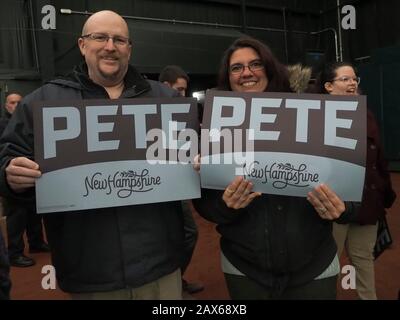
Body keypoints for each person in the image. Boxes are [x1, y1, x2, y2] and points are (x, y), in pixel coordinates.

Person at [0, 10, 187, 299]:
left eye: (119, 40)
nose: (110, 46)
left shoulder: (166, 99)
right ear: (82, 45)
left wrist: (199, 163)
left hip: (160, 269)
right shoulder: (43, 102)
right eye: (99, 37)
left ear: (129, 48)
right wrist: (10, 175)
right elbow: (8, 158)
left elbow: (193, 165)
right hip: (90, 275)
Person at [193, 37, 358, 300]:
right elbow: (205, 205)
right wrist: (226, 205)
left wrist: (344, 208)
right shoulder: (215, 129)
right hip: (244, 268)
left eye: (255, 64)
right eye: (237, 67)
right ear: (228, 76)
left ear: (269, 68)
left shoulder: (317, 115)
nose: (246, 72)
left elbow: (354, 191)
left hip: (313, 267)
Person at [315, 61, 396, 300]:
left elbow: (378, 159)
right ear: (329, 86)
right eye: (345, 79)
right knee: (327, 264)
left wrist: (385, 194)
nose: (352, 83)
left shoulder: (366, 114)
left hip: (367, 203)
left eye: (354, 79)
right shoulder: (314, 117)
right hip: (332, 205)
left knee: (364, 259)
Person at [159, 65, 204, 294]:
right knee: (184, 233)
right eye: (180, 89)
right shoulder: (151, 109)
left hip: (179, 184)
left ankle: (177, 280)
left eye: (185, 90)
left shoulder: (183, 112)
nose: (183, 95)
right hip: (158, 187)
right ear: (166, 86)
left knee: (186, 233)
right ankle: (174, 283)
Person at [0, 93, 49, 268]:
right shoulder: (2, 124)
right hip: (14, 177)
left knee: (35, 213)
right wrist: (6, 169)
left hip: (35, 175)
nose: (16, 105)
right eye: (12, 103)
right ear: (6, 106)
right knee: (17, 217)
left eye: (19, 102)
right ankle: (15, 253)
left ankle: (36, 243)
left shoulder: (32, 120)